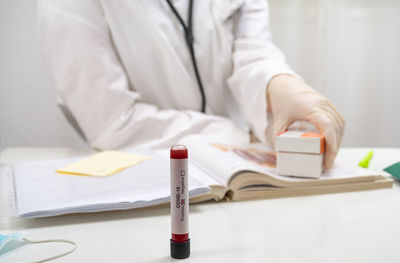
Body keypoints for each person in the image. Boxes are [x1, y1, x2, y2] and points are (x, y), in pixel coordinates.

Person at [38, 0, 344, 168]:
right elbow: (112, 123)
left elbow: (253, 51)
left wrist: (279, 84)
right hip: (141, 172)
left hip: (236, 170)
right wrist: (238, 135)